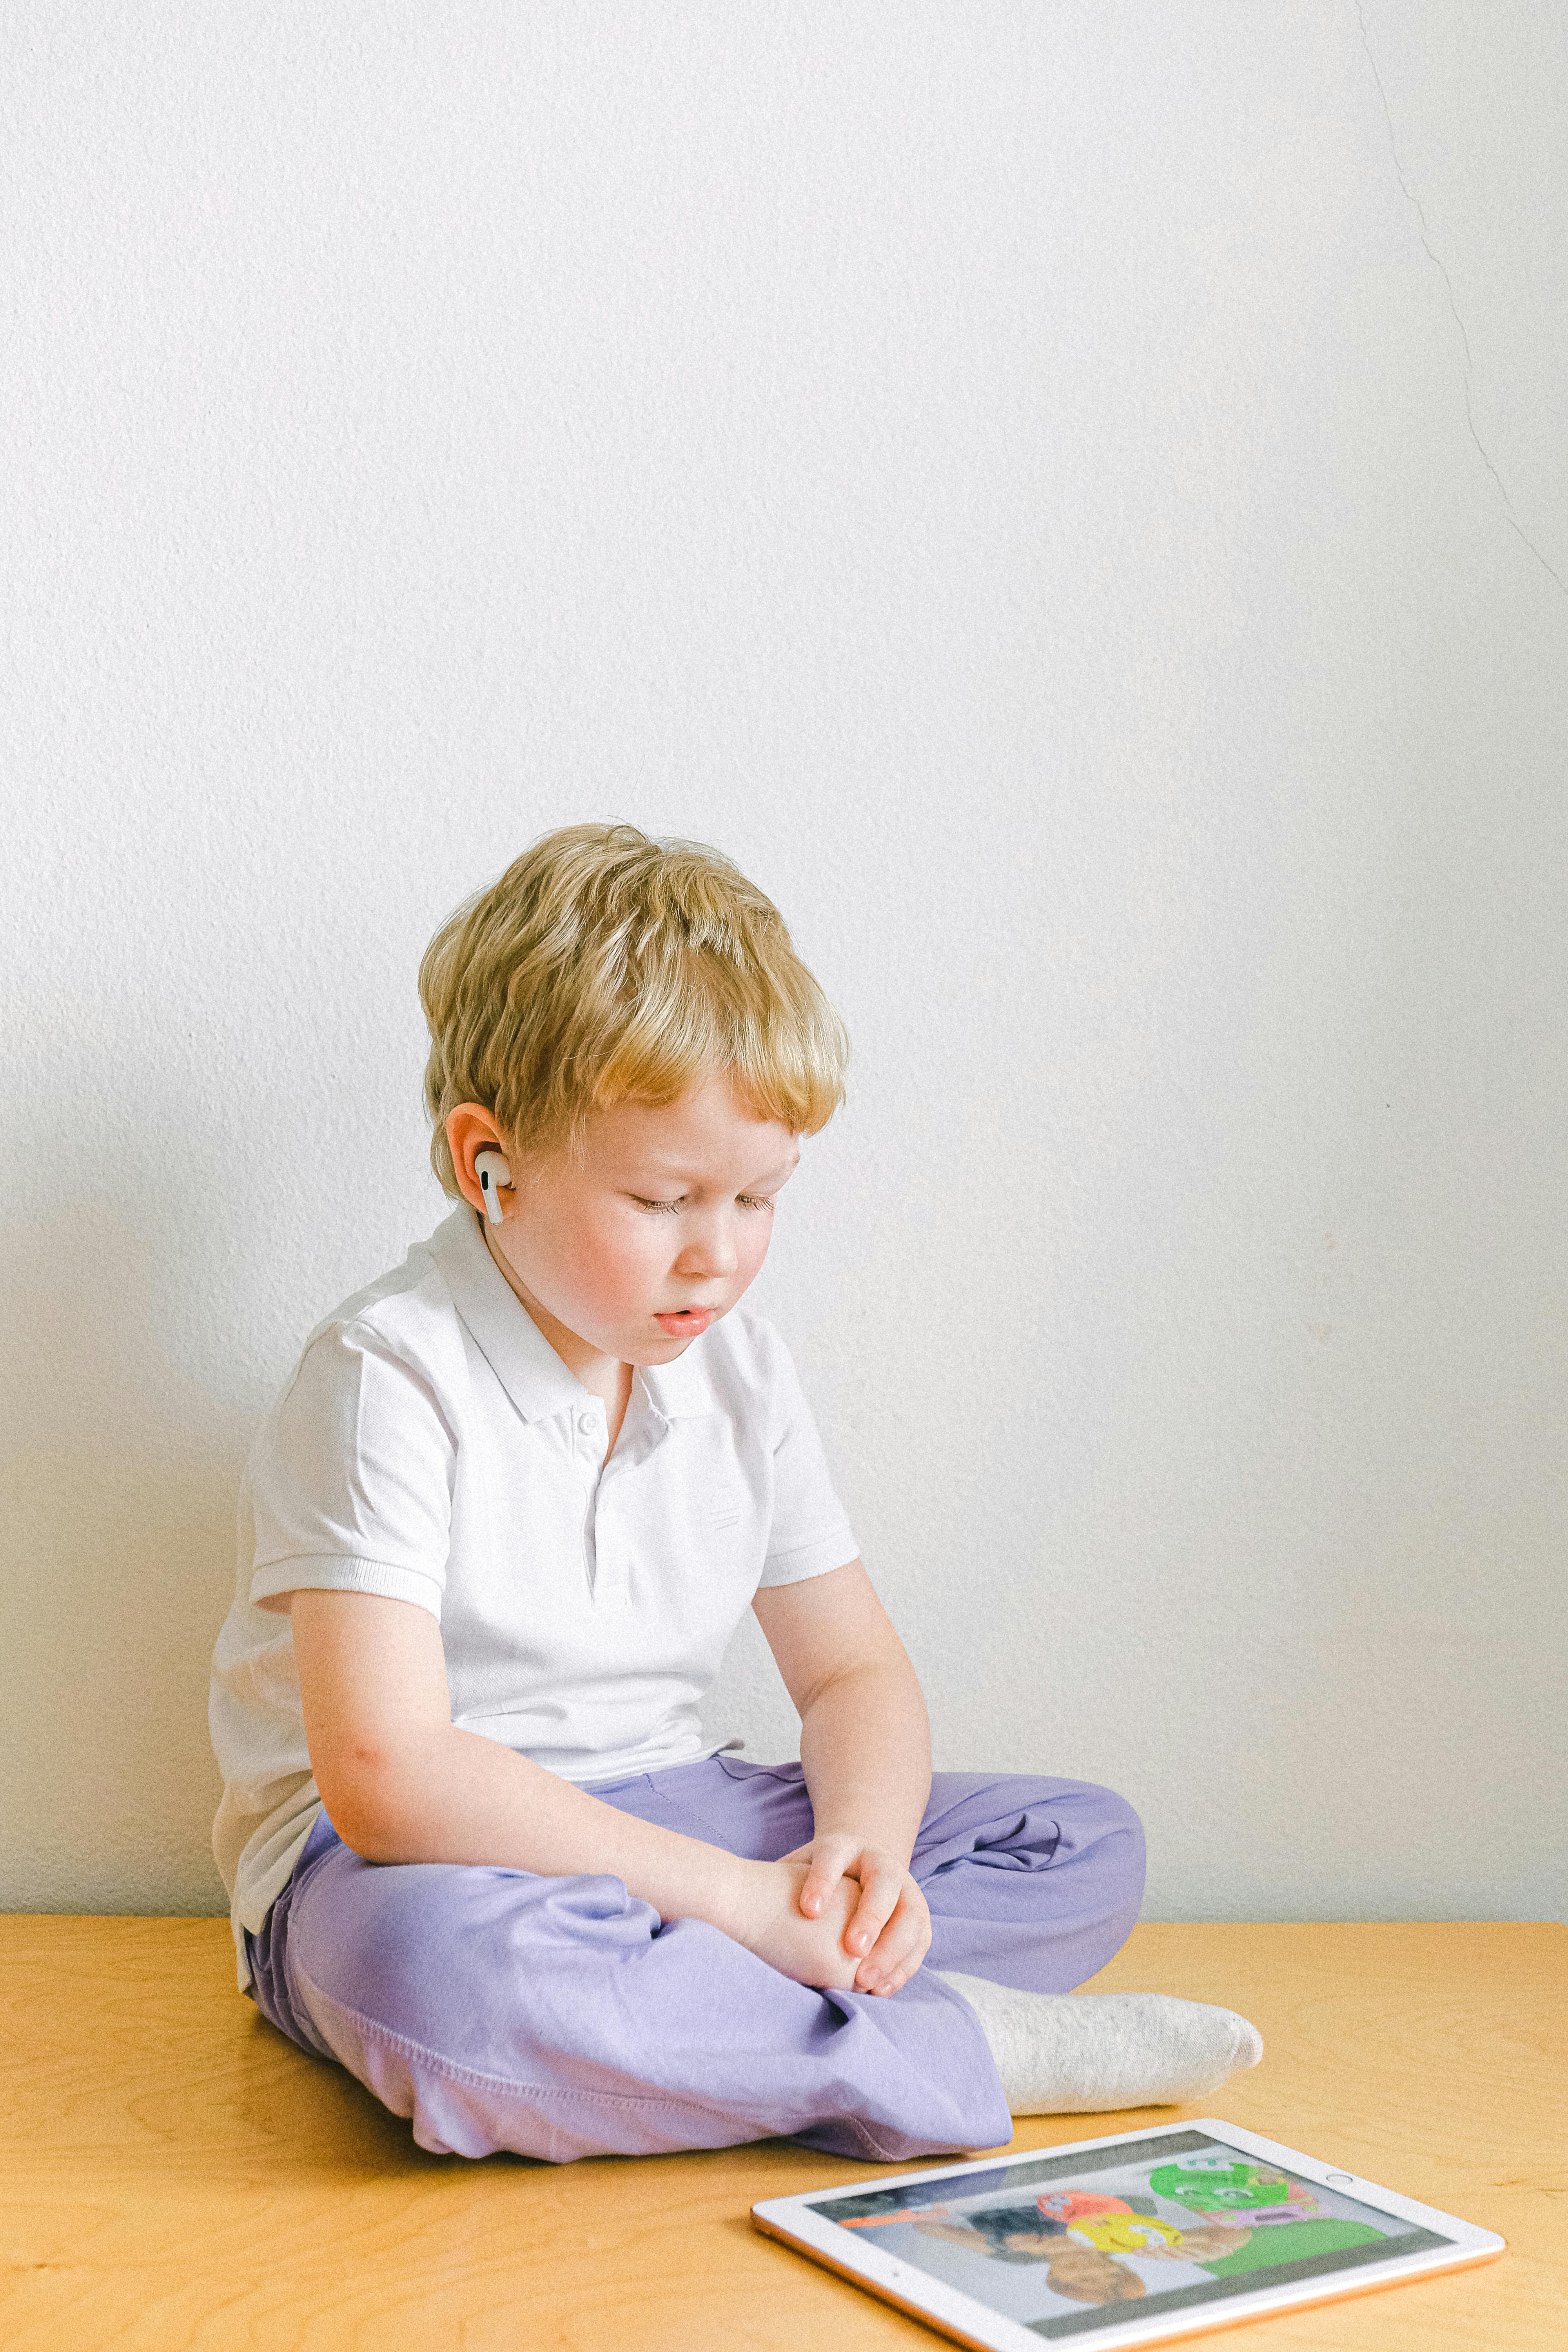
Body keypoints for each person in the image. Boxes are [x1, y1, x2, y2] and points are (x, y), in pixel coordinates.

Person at [209, 823, 1263, 2163]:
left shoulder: (739, 1374)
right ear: (492, 1161)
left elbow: (852, 1679)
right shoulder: (385, 1377)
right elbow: (388, 1778)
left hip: (671, 1811)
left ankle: (734, 2026)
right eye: (664, 1198)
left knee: (1079, 1841)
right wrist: (739, 1906)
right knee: (449, 1990)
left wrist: (861, 1861)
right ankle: (951, 2049)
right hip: (418, 1869)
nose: (719, 1255)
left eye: (761, 1198)